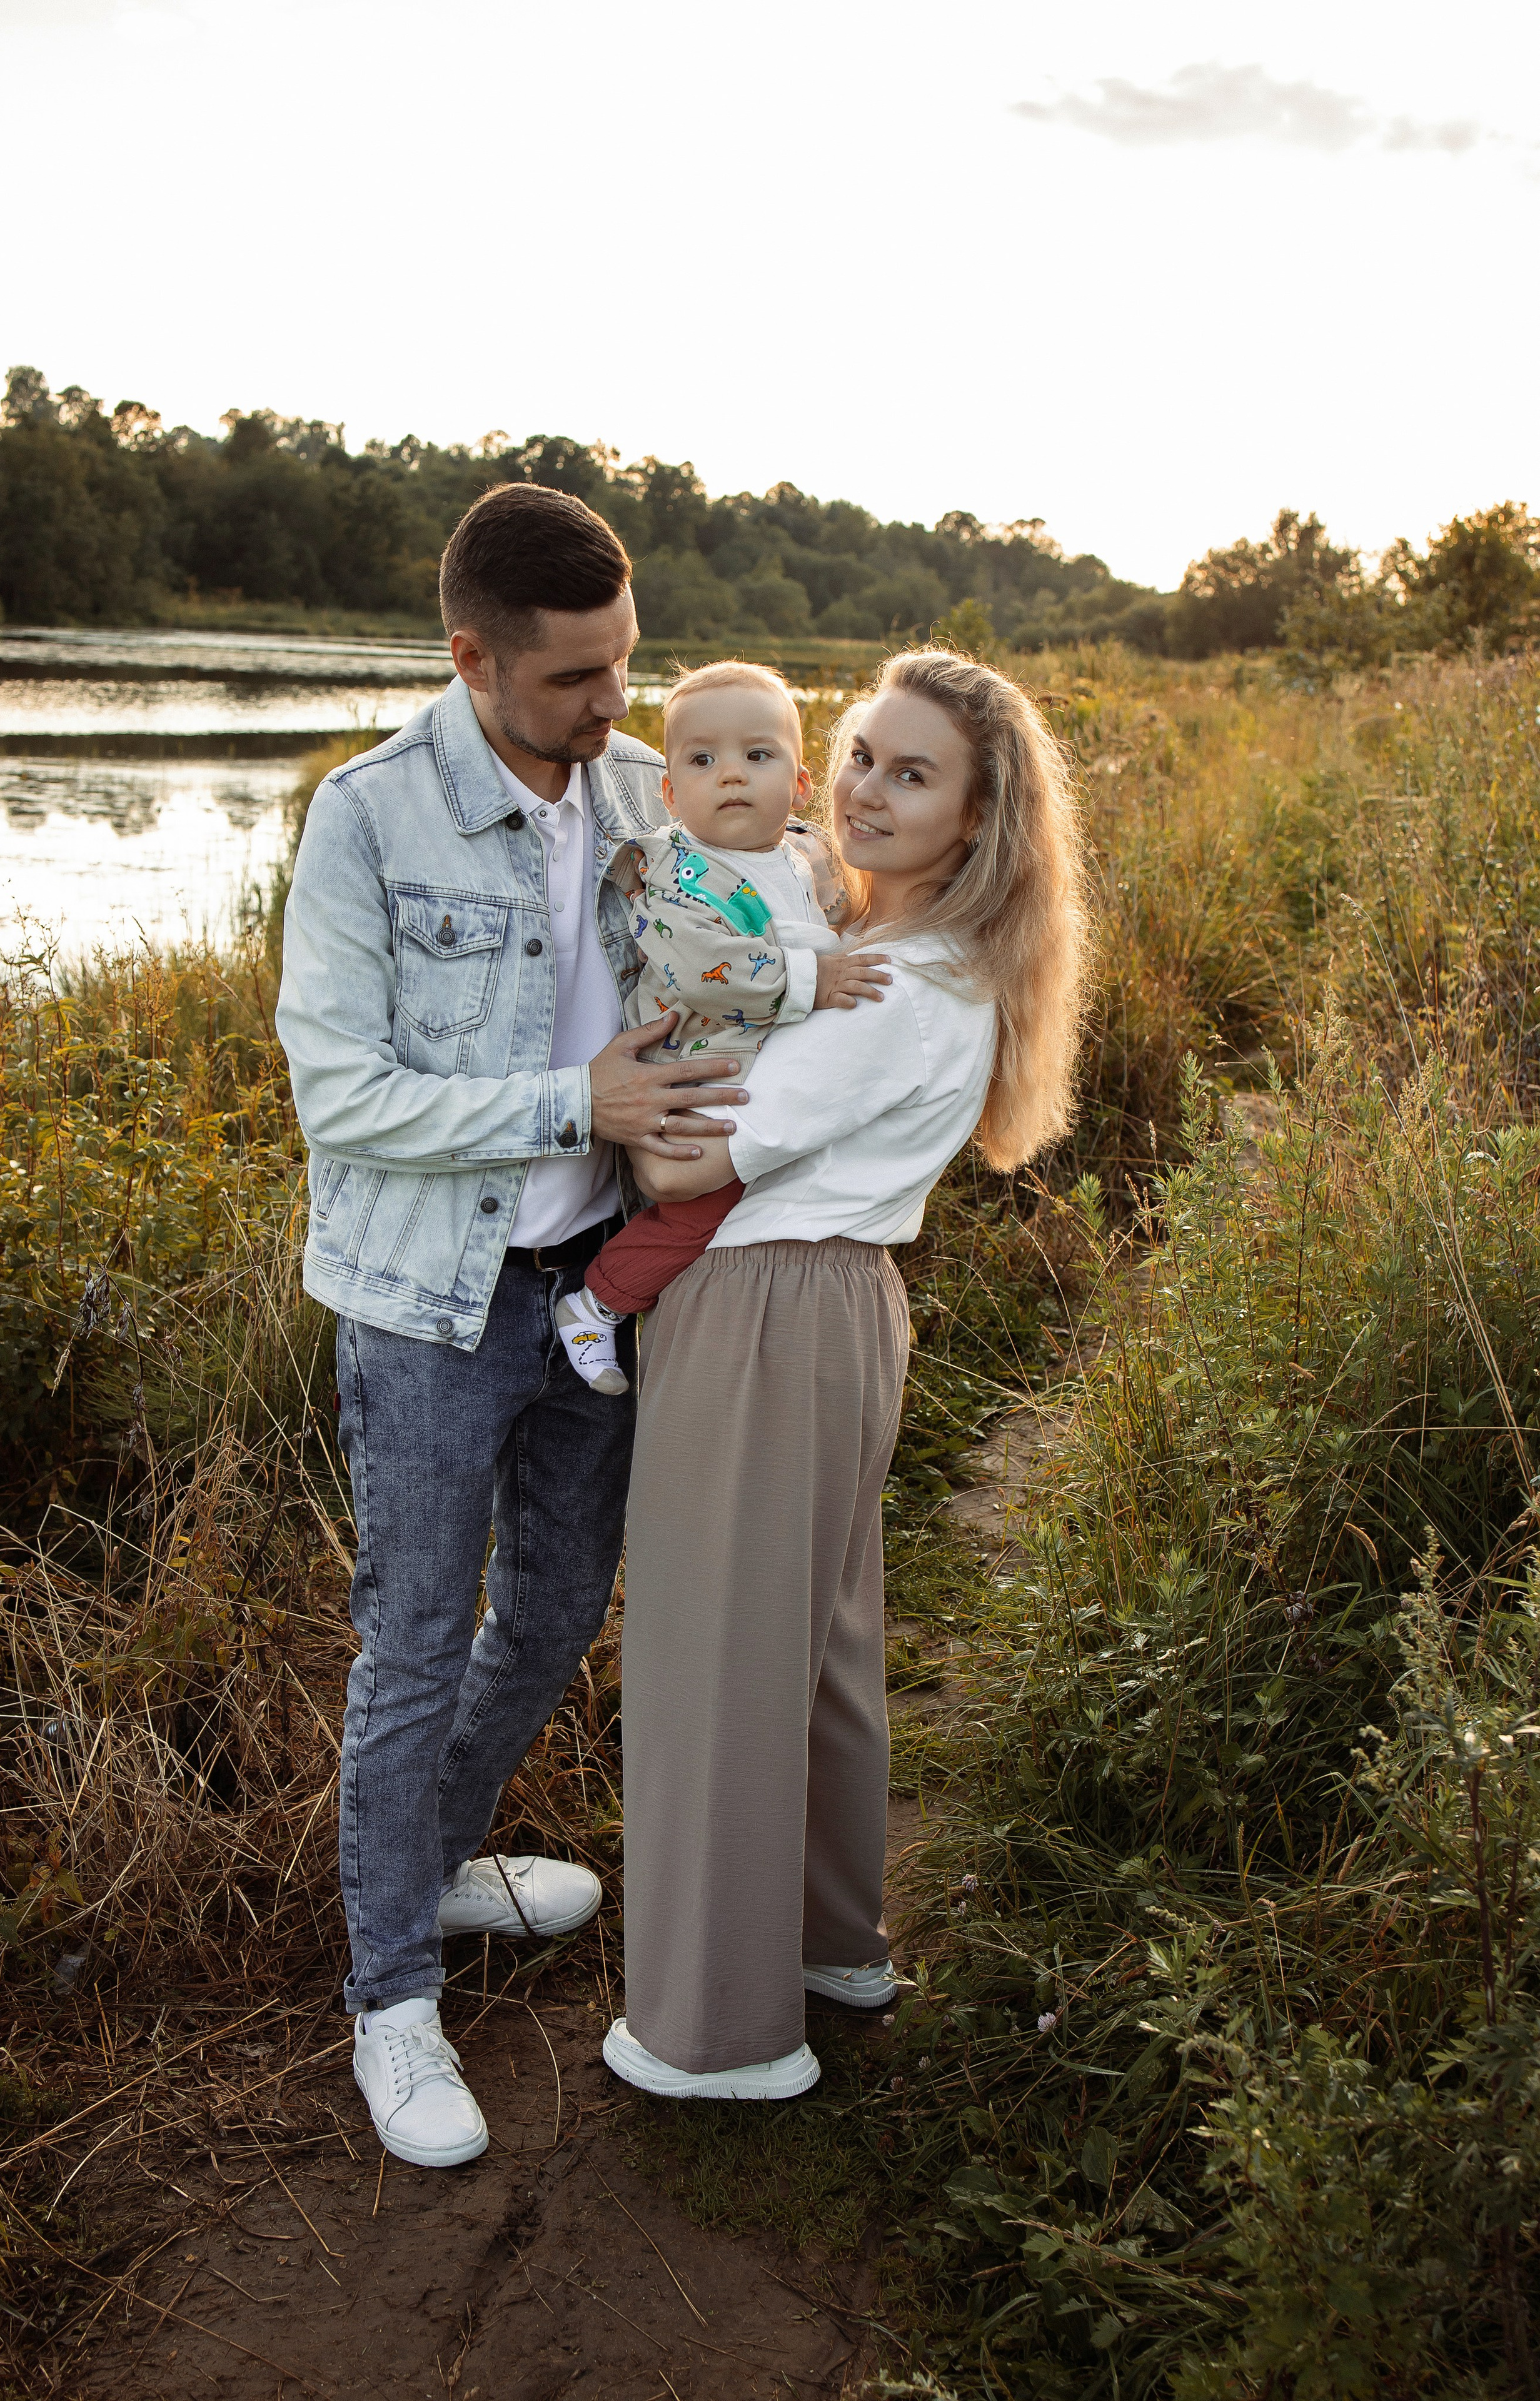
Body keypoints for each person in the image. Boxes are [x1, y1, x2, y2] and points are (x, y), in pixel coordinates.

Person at [275, 483, 752, 2168]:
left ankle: (437, 1857)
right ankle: (389, 1998)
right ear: (471, 657)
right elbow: (340, 1094)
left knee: (552, 1615)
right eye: (572, 679)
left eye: (626, 663)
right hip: (427, 1302)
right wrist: (580, 1099)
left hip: (596, 1300)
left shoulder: (644, 787)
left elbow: (763, 926)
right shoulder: (368, 818)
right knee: (414, 1641)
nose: (614, 705)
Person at [601, 647, 1089, 2098]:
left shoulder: (889, 987)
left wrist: (624, 1096)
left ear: (976, 813)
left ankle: (714, 2033)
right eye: (862, 752)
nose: (867, 789)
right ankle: (828, 1940)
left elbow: (686, 1153)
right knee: (814, 1647)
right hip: (831, 1302)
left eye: (913, 771)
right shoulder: (919, 954)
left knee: (714, 1665)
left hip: (762, 1303)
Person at [554, 661, 891, 1394]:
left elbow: (845, 921)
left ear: (800, 784)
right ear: (671, 793)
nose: (731, 776)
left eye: (757, 755)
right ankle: (596, 1301)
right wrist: (818, 979)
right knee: (701, 1202)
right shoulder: (675, 871)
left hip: (760, 1066)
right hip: (696, 1073)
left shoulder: (806, 855)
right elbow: (703, 965)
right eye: (703, 760)